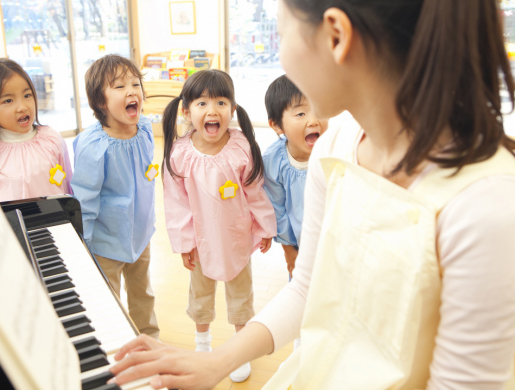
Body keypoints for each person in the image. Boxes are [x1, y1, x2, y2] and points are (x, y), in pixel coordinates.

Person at [109, 0, 515, 389]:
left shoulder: (485, 206)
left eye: (282, 32)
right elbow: (307, 287)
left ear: (336, 35)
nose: (282, 57)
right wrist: (215, 361)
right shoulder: (335, 145)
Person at [160, 69, 277, 382]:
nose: (212, 111)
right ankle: (203, 343)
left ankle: (239, 350)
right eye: (202, 103)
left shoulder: (241, 148)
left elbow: (255, 190)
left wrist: (265, 226)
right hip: (201, 241)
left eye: (221, 102)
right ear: (186, 110)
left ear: (233, 110)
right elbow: (177, 203)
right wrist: (185, 243)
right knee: (200, 295)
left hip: (236, 239)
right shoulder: (180, 154)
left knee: (241, 297)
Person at [70, 54, 159, 338]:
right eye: (119, 87)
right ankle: (118, 341)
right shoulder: (94, 145)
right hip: (106, 242)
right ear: (100, 101)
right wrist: (84, 243)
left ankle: (148, 336)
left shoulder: (145, 128)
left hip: (140, 235)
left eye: (135, 83)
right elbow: (84, 200)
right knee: (109, 298)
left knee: (143, 291)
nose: (132, 91)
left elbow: (147, 176)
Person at [0, 58, 72, 202]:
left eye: (27, 95)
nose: (22, 107)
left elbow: (68, 185)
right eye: (8, 100)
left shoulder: (52, 139)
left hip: (55, 222)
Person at [262, 74, 328, 279]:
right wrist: (289, 251)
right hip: (302, 248)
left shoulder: (335, 150)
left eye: (319, 109)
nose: (313, 120)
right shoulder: (273, 161)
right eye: (300, 114)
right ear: (277, 125)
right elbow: (278, 210)